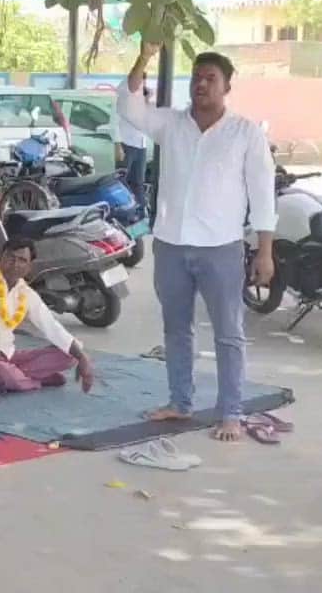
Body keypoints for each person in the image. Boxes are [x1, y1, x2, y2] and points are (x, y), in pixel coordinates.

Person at [117, 44, 275, 441]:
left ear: (227, 87)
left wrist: (265, 249)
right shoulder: (171, 124)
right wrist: (144, 58)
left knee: (228, 333)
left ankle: (232, 412)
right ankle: (180, 402)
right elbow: (129, 106)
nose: (201, 84)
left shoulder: (245, 133)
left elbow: (262, 194)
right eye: (197, 77)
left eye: (211, 79)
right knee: (176, 330)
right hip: (171, 245)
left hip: (221, 247)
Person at [0, 193, 97, 393]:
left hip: (9, 356)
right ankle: (30, 379)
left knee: (70, 354)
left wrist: (82, 358)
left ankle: (20, 375)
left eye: (22, 260)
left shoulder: (26, 294)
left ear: (30, 266)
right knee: (7, 376)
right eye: (10, 257)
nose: (15, 264)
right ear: (1, 257)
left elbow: (51, 326)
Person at [115, 75, 153, 221]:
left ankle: (140, 215)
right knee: (122, 180)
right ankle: (125, 213)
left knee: (138, 181)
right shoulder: (124, 93)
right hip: (126, 142)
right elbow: (115, 118)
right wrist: (117, 143)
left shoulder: (140, 97)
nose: (142, 84)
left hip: (140, 143)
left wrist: (147, 99)